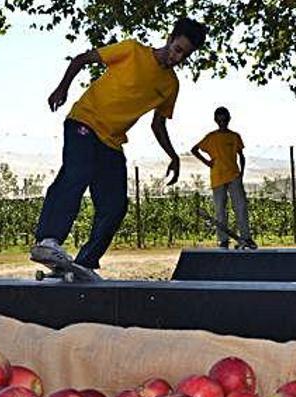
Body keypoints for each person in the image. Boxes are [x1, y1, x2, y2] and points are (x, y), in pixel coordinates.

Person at [30, 17, 208, 277]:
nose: (177, 58)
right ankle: (48, 241)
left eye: (185, 55)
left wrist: (173, 156)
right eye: (177, 49)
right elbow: (81, 59)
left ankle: (84, 263)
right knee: (77, 173)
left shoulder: (171, 86)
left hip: (111, 141)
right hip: (85, 121)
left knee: (115, 205)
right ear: (169, 38)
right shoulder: (131, 50)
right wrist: (62, 88)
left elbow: (158, 125)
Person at [191, 107, 255, 249]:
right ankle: (223, 239)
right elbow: (194, 149)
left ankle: (246, 237)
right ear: (215, 120)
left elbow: (241, 156)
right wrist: (207, 162)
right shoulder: (211, 137)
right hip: (218, 176)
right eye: (219, 120)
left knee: (241, 207)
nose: (222, 122)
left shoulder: (234, 136)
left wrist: (241, 173)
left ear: (229, 119)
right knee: (220, 210)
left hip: (234, 176)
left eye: (224, 120)